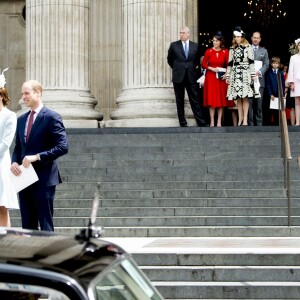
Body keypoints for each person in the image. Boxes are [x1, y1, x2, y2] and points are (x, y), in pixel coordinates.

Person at [10, 80, 68, 231]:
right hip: (24, 179)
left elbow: (63, 147)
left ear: (38, 93)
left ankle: (47, 255)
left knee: (46, 225)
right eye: (22, 93)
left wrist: (37, 156)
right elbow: (18, 148)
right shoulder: (21, 120)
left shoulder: (52, 117)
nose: (23, 97)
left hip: (44, 179)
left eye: (27, 93)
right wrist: (14, 162)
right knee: (27, 226)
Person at [167, 26, 208, 127]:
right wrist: (178, 68)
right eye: (180, 33)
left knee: (194, 99)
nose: (181, 34)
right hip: (178, 76)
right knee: (179, 100)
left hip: (191, 76)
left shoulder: (195, 46)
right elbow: (170, 60)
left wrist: (191, 68)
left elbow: (198, 60)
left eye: (184, 33)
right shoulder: (174, 45)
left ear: (188, 34)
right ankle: (182, 122)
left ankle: (201, 122)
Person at [226, 26, 256, 126]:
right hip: (235, 73)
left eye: (238, 37)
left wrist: (252, 75)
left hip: (245, 73)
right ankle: (240, 119)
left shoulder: (248, 47)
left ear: (242, 37)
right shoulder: (232, 48)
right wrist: (228, 76)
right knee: (238, 97)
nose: (236, 39)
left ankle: (245, 120)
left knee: (245, 97)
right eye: (235, 37)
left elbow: (251, 62)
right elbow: (230, 63)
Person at [0, 70, 18, 227]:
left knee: (1, 205)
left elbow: (6, 143)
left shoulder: (9, 116)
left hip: (1, 162)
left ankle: (5, 241)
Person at [202, 31, 230, 127]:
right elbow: (204, 64)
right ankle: (212, 121)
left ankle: (219, 121)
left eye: (216, 41)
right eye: (213, 41)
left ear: (220, 42)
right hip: (211, 77)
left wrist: (226, 74)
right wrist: (211, 68)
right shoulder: (208, 51)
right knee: (211, 100)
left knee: (220, 100)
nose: (214, 42)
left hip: (221, 78)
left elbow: (228, 65)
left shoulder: (225, 51)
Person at [248, 31, 269, 126]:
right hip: (248, 80)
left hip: (260, 81)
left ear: (260, 39)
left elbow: (266, 64)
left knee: (259, 104)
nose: (256, 39)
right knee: (249, 103)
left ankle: (259, 124)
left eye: (258, 38)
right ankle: (250, 123)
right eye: (254, 37)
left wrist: (259, 72)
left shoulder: (264, 51)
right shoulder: (246, 49)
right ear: (251, 38)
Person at [265, 56, 285, 125]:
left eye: (276, 63)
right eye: (273, 63)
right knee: (270, 110)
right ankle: (268, 124)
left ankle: (277, 124)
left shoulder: (281, 73)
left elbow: (282, 84)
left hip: (278, 94)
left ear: (279, 64)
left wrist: (282, 94)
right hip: (271, 95)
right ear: (271, 64)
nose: (275, 65)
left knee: (277, 110)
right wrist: (270, 94)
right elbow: (268, 84)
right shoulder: (269, 73)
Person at [286, 38, 300, 126]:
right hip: (296, 81)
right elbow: (290, 70)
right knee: (297, 102)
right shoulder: (293, 57)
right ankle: (297, 121)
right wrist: (291, 82)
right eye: (299, 44)